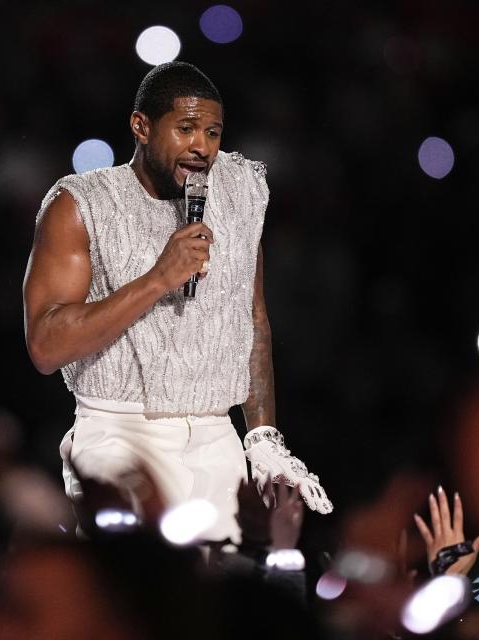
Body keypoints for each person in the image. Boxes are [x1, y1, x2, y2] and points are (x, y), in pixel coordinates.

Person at [22, 61, 332, 543]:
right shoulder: (82, 204)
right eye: (186, 129)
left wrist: (263, 439)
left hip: (215, 438)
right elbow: (45, 345)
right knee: (140, 602)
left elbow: (251, 320)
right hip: (119, 436)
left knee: (218, 609)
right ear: (141, 126)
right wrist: (159, 278)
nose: (202, 148)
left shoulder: (239, 190)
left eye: (212, 132)